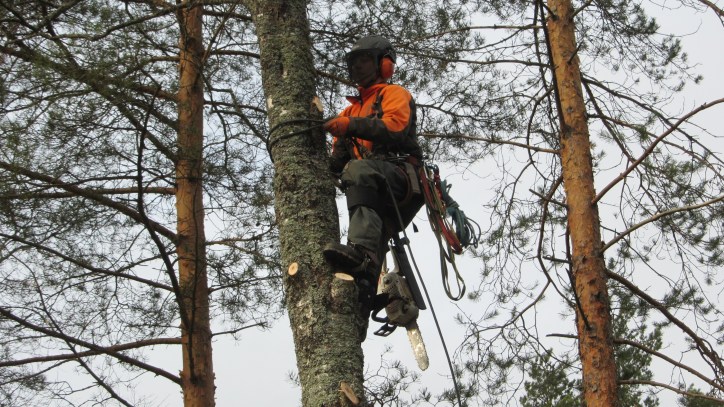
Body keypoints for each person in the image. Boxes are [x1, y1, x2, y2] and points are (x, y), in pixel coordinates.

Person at [322, 35, 424, 316]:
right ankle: (361, 303)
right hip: (372, 193)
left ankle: (362, 253)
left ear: (385, 65)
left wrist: (350, 125)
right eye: (354, 63)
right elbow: (337, 163)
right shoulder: (350, 110)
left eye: (365, 60)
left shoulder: (394, 94)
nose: (358, 67)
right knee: (364, 271)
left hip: (401, 180)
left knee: (358, 170)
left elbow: (395, 128)